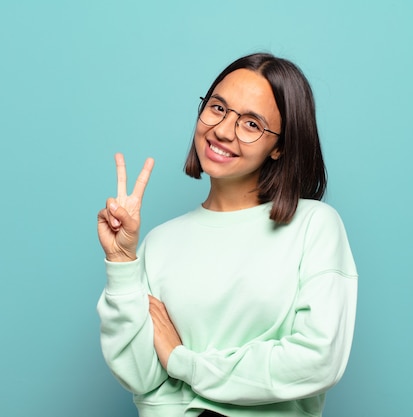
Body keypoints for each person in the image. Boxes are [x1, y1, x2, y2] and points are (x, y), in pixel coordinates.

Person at [96, 53, 358, 417]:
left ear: (280, 146)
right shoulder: (159, 242)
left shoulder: (314, 225)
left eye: (252, 124)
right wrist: (122, 262)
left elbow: (317, 360)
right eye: (217, 107)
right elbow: (141, 377)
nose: (221, 130)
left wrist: (182, 361)